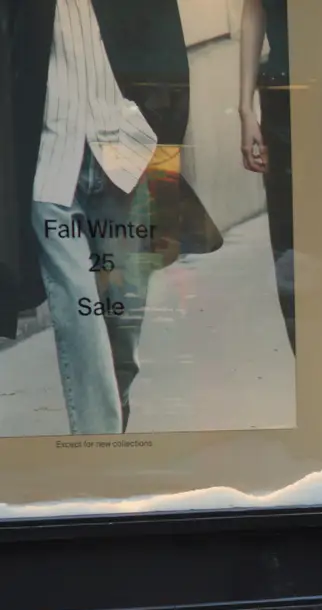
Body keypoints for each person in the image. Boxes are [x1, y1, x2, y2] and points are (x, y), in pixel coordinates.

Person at [0, 0, 221, 434]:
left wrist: (158, 142)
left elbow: (166, 52)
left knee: (121, 330)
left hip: (124, 160)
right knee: (80, 321)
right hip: (50, 170)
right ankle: (99, 453)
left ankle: (112, 420)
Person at [239, 0, 295, 352]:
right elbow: (254, 7)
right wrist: (245, 110)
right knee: (289, 242)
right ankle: (305, 361)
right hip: (282, 97)